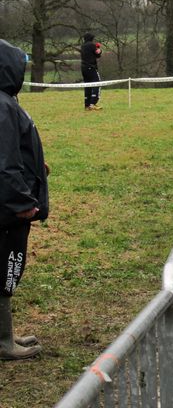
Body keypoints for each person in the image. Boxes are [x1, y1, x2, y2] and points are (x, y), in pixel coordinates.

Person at [0, 39, 50, 360]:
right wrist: (22, 204)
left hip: (8, 207)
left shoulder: (5, 103)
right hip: (8, 212)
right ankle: (4, 342)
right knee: (5, 270)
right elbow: (4, 164)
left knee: (6, 269)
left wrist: (37, 167)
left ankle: (6, 334)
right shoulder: (3, 107)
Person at [80, 32, 103, 111]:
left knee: (87, 86)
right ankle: (93, 103)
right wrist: (99, 49)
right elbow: (98, 54)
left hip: (83, 68)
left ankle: (87, 105)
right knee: (97, 83)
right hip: (91, 67)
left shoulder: (82, 46)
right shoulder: (92, 45)